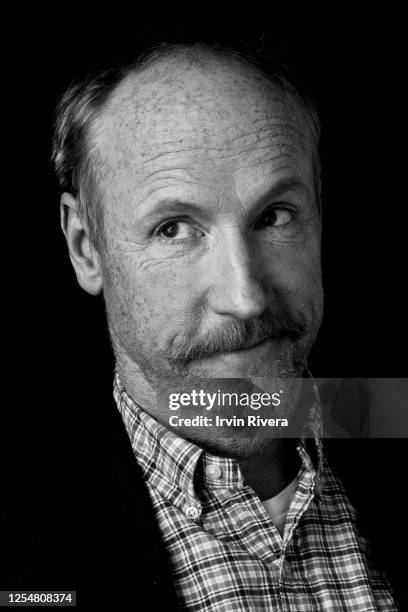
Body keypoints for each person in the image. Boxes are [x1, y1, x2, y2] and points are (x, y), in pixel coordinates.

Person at [52, 42, 398, 609]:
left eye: (273, 217)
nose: (245, 299)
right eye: (173, 229)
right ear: (86, 248)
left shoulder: (383, 414)